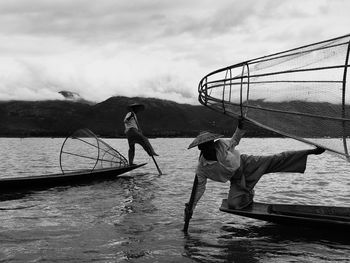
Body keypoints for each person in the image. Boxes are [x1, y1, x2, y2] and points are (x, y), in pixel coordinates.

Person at [186, 117, 325, 215]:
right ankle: (248, 192)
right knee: (234, 205)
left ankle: (311, 152)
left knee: (276, 159)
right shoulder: (202, 168)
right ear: (201, 149)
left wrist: (240, 127)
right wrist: (191, 207)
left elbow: (234, 140)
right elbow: (199, 189)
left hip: (246, 163)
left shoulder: (221, 144)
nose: (210, 147)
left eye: (210, 144)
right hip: (236, 179)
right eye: (206, 146)